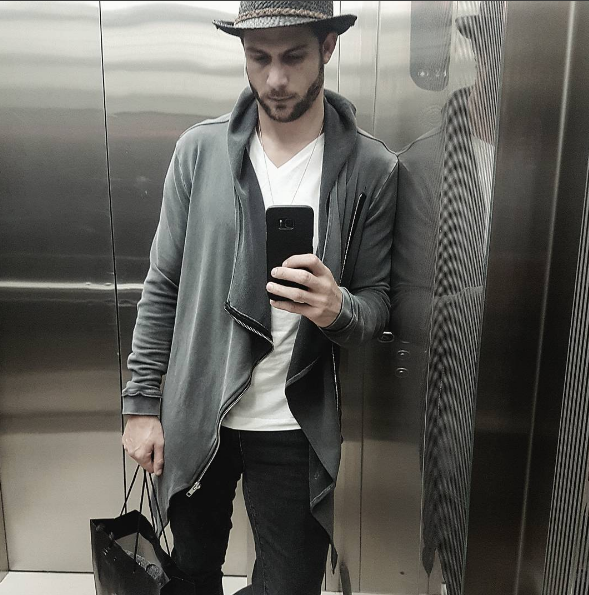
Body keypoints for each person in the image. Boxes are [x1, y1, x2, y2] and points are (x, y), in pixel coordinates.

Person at [120, 1, 398, 593]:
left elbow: (376, 306)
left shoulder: (371, 168)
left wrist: (336, 308)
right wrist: (141, 404)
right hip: (198, 412)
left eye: (293, 57)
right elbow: (163, 284)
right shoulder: (200, 151)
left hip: (292, 422)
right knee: (190, 572)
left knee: (290, 583)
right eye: (258, 58)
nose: (275, 79)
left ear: (327, 47)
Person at [392, 2, 505, 593]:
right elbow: (406, 310)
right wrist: (497, 301)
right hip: (464, 418)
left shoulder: (562, 165)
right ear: (481, 60)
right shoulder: (426, 166)